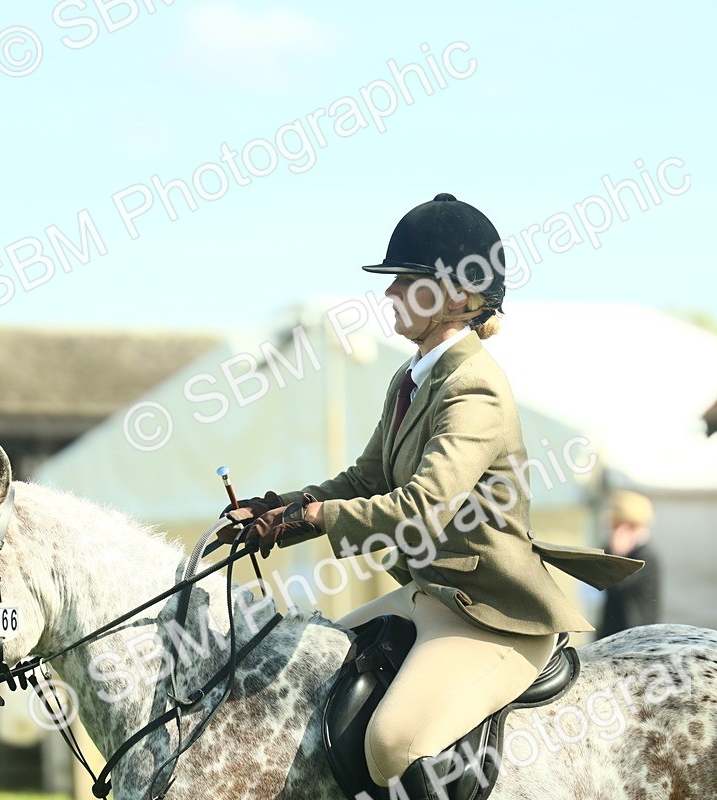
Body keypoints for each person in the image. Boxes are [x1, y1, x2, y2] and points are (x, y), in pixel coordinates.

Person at [220, 193, 642, 799]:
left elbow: (422, 505)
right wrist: (278, 513)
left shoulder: (475, 387)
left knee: (393, 740)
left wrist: (313, 515)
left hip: (494, 614)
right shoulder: (412, 376)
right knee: (309, 676)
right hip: (430, 593)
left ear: (456, 297)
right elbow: (366, 481)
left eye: (405, 282)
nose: (390, 295)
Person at [597, 489, 661, 639]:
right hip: (614, 635)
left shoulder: (645, 557)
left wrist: (616, 552)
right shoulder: (629, 554)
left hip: (635, 639)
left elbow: (615, 583)